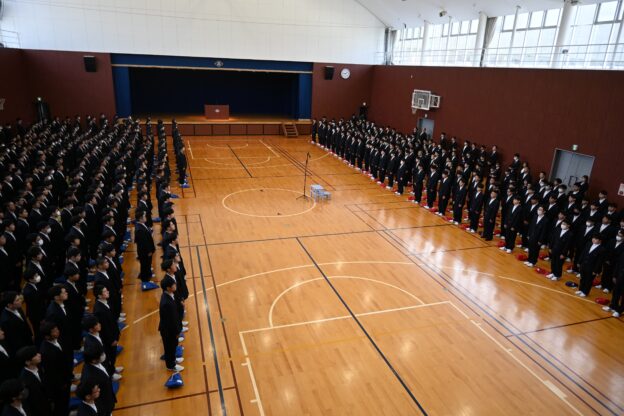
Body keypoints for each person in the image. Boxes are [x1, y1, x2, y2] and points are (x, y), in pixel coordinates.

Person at [39, 322, 72, 416]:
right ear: (47, 336)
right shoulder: (46, 352)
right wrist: (62, 384)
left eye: (56, 329)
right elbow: (52, 372)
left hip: (66, 376)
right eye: (54, 331)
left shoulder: (58, 339)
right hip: (59, 383)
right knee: (61, 402)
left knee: (66, 399)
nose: (57, 331)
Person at [80, 344, 116, 416]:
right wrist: (106, 410)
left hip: (108, 398)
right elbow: (95, 397)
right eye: (101, 355)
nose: (103, 355)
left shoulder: (95, 363)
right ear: (93, 360)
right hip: (103, 406)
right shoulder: (90, 377)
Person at [16, 346, 51, 415]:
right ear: (28, 362)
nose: (39, 355)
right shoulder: (24, 380)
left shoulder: (39, 366)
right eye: (35, 355)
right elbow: (31, 402)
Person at [159, 278, 183, 372]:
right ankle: (171, 365)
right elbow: (170, 321)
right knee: (169, 348)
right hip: (168, 331)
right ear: (168, 288)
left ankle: (173, 360)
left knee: (173, 346)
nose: (175, 285)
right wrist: (176, 332)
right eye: (173, 284)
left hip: (171, 329)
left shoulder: (169, 295)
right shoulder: (166, 303)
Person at [134, 210, 158, 291]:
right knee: (145, 265)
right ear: (140, 218)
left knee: (147, 264)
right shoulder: (139, 229)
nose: (146, 217)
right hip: (145, 252)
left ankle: (147, 276)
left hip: (146, 251)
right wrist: (149, 251)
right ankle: (145, 280)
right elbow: (143, 243)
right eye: (144, 216)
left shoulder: (142, 225)